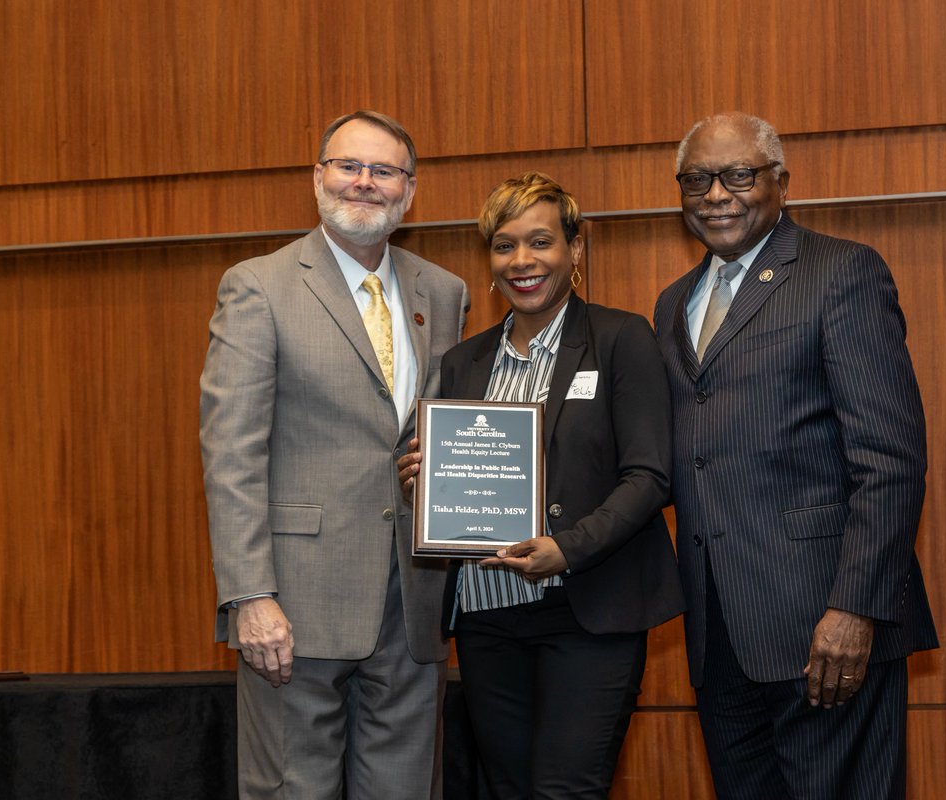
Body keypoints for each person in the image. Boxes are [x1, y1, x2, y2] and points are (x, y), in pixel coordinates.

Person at [653, 113, 938, 799]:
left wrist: (855, 609)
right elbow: (684, 454)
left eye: (738, 175)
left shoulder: (841, 273)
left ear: (780, 183)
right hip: (720, 633)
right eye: (698, 179)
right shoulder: (672, 305)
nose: (716, 194)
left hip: (825, 625)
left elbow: (890, 459)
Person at [199, 110, 470, 800]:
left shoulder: (444, 292)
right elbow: (231, 451)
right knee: (292, 789)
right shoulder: (259, 286)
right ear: (317, 178)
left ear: (409, 192)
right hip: (296, 604)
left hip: (411, 602)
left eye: (384, 171)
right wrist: (250, 595)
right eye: (349, 166)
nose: (365, 183)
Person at [398, 172, 683, 799]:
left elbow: (650, 475)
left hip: (586, 613)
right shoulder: (463, 361)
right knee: (509, 790)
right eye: (504, 245)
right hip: (485, 617)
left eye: (540, 242)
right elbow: (454, 481)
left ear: (574, 250)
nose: (522, 261)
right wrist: (421, 478)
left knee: (564, 791)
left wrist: (569, 547)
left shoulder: (618, 339)